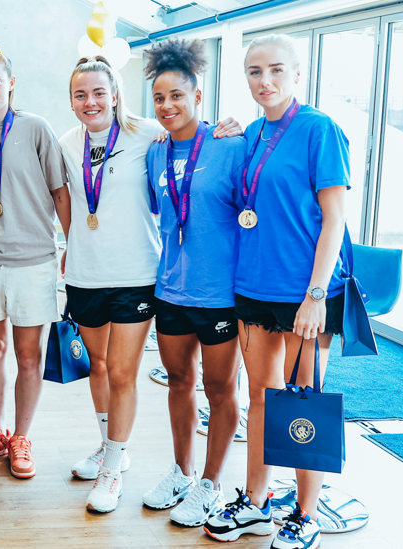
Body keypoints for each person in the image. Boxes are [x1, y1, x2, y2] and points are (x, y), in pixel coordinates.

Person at [60, 56, 241, 514]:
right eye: (80, 94)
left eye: (99, 92)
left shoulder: (147, 134)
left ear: (116, 95)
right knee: (109, 370)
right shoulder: (73, 143)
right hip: (140, 281)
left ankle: (163, 473)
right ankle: (142, 460)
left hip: (147, 276)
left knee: (130, 374)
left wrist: (233, 124)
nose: (91, 101)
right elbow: (64, 197)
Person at [204, 34, 349, 549]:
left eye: (275, 71)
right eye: (253, 72)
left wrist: (315, 294)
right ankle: (257, 501)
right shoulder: (250, 136)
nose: (263, 81)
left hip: (304, 292)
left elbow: (335, 219)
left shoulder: (319, 129)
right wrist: (224, 138)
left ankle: (306, 513)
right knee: (262, 401)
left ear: (297, 74)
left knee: (303, 404)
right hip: (253, 286)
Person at [140, 39, 248, 527]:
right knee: (179, 383)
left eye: (177, 96)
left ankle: (211, 483)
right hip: (171, 291)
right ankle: (182, 472)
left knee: (220, 388)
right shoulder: (154, 153)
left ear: (198, 96)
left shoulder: (230, 145)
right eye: (160, 98)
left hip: (220, 294)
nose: (167, 106)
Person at [0, 46, 69, 480]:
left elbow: (60, 192)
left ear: (11, 83)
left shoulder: (36, 128)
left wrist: (70, 245)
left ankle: (21, 436)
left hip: (33, 259)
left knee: (28, 355)